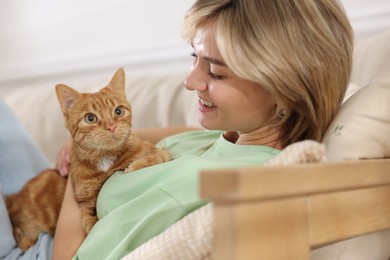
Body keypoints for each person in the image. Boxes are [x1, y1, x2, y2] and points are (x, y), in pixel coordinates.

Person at [1, 0, 353, 259]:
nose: (190, 82)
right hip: (39, 203)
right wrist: (85, 138)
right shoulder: (228, 140)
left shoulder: (204, 186)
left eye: (215, 72)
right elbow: (182, 136)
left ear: (285, 89)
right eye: (193, 58)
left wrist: (83, 164)